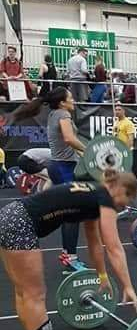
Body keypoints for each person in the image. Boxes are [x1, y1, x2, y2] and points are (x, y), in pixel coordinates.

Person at [0, 171, 137, 330]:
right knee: (34, 294)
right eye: (129, 198)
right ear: (120, 189)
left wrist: (102, 276)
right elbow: (114, 248)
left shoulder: (94, 194)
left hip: (10, 216)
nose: (126, 205)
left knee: (23, 291)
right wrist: (128, 286)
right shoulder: (105, 198)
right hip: (21, 224)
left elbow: (94, 241)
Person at [11, 86, 87, 271]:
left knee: (66, 212)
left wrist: (84, 155)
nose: (73, 101)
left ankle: (67, 253)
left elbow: (68, 143)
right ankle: (70, 257)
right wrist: (89, 151)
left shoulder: (54, 113)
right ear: (62, 102)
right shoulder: (63, 114)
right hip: (63, 168)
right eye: (70, 98)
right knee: (72, 214)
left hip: (59, 167)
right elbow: (69, 139)